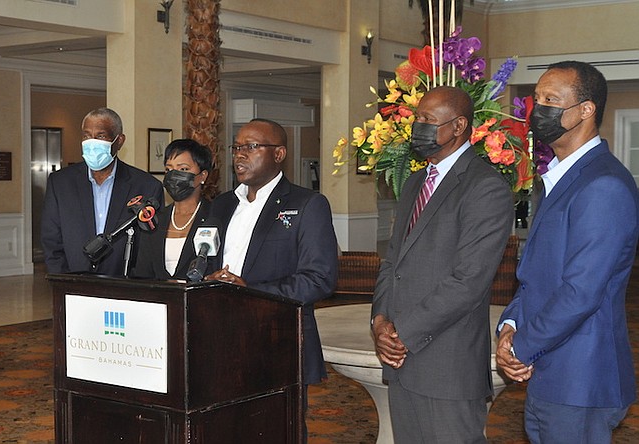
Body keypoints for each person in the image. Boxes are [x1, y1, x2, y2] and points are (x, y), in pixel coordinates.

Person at [496, 61, 639, 443]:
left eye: (551, 100)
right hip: (552, 373)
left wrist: (521, 347)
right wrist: (510, 325)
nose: (538, 109)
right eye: (536, 98)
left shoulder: (603, 185)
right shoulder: (561, 178)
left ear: (586, 110)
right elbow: (534, 276)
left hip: (582, 379)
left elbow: (581, 292)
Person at [371, 86, 514, 443]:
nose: (417, 127)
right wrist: (380, 320)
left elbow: (468, 281)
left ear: (458, 126)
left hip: (447, 364)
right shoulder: (415, 182)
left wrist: (402, 332)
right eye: (417, 118)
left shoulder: (485, 187)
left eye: (427, 120)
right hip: (401, 361)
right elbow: (393, 263)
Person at [204, 118, 338, 438]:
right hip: (218, 338)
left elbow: (319, 278)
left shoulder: (307, 204)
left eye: (251, 147)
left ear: (278, 154)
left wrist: (249, 291)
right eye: (236, 147)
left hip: (276, 342)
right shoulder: (221, 205)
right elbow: (201, 260)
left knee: (277, 430)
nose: (240, 155)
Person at [41, 107, 164, 277]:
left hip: (125, 286)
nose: (92, 142)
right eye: (86, 135)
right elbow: (51, 240)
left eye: (100, 136)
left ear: (119, 141)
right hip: (72, 284)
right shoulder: (60, 183)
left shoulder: (146, 186)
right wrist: (62, 281)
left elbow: (149, 247)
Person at [133, 139, 213, 280]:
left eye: (183, 169)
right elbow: (143, 273)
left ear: (203, 176)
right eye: (169, 169)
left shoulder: (214, 216)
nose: (173, 176)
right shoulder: (155, 220)